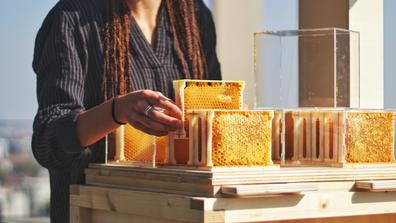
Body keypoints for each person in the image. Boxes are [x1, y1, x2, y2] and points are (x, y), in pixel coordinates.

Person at [32, 0, 221, 222]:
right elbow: (49, 142)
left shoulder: (195, 15)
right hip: (93, 214)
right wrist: (116, 111)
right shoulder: (71, 18)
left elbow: (214, 120)